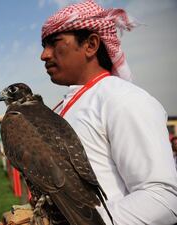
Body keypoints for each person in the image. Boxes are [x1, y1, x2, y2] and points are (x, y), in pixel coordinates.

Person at [39, 1, 177, 224]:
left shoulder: (122, 99)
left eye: (54, 43)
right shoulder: (70, 103)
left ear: (91, 45)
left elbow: (162, 199)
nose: (44, 55)